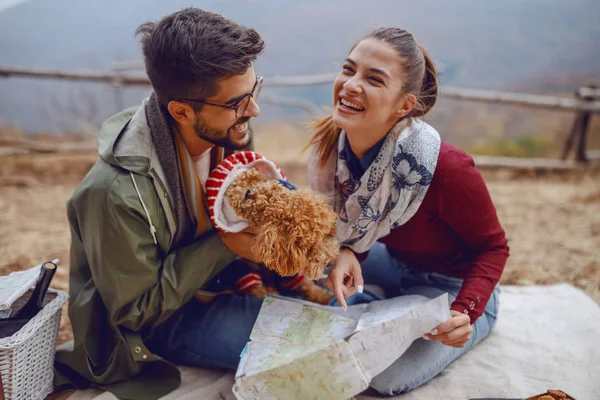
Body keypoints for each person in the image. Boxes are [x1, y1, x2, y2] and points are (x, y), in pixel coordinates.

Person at [54, 8, 268, 399]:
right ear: (182, 111)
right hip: (157, 326)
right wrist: (226, 245)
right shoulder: (113, 192)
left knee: (349, 296)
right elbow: (135, 311)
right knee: (303, 342)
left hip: (226, 280)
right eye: (239, 102)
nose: (253, 109)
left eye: (255, 90)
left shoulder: (230, 133)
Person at [307, 27, 509, 395]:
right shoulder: (333, 151)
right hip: (396, 262)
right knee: (318, 264)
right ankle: (386, 300)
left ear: (404, 105)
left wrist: (466, 311)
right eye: (348, 69)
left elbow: (493, 247)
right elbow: (359, 224)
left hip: (453, 288)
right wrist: (349, 250)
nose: (351, 84)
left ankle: (396, 305)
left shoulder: (445, 168)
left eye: (373, 79)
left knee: (383, 376)